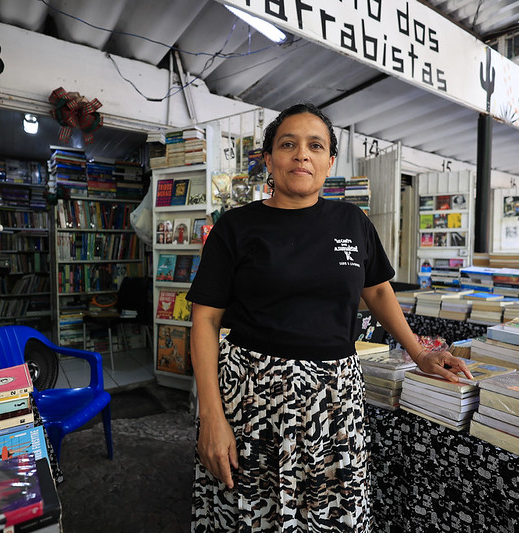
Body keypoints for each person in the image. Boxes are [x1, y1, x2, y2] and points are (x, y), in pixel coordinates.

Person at [186, 102, 473, 531]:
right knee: (251, 513)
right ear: (269, 159)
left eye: (315, 145)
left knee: (331, 514)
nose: (302, 154)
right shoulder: (236, 227)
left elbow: (376, 290)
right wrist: (211, 417)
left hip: (334, 401)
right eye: (288, 144)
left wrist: (420, 353)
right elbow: (205, 321)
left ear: (329, 161)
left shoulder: (352, 222)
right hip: (251, 399)